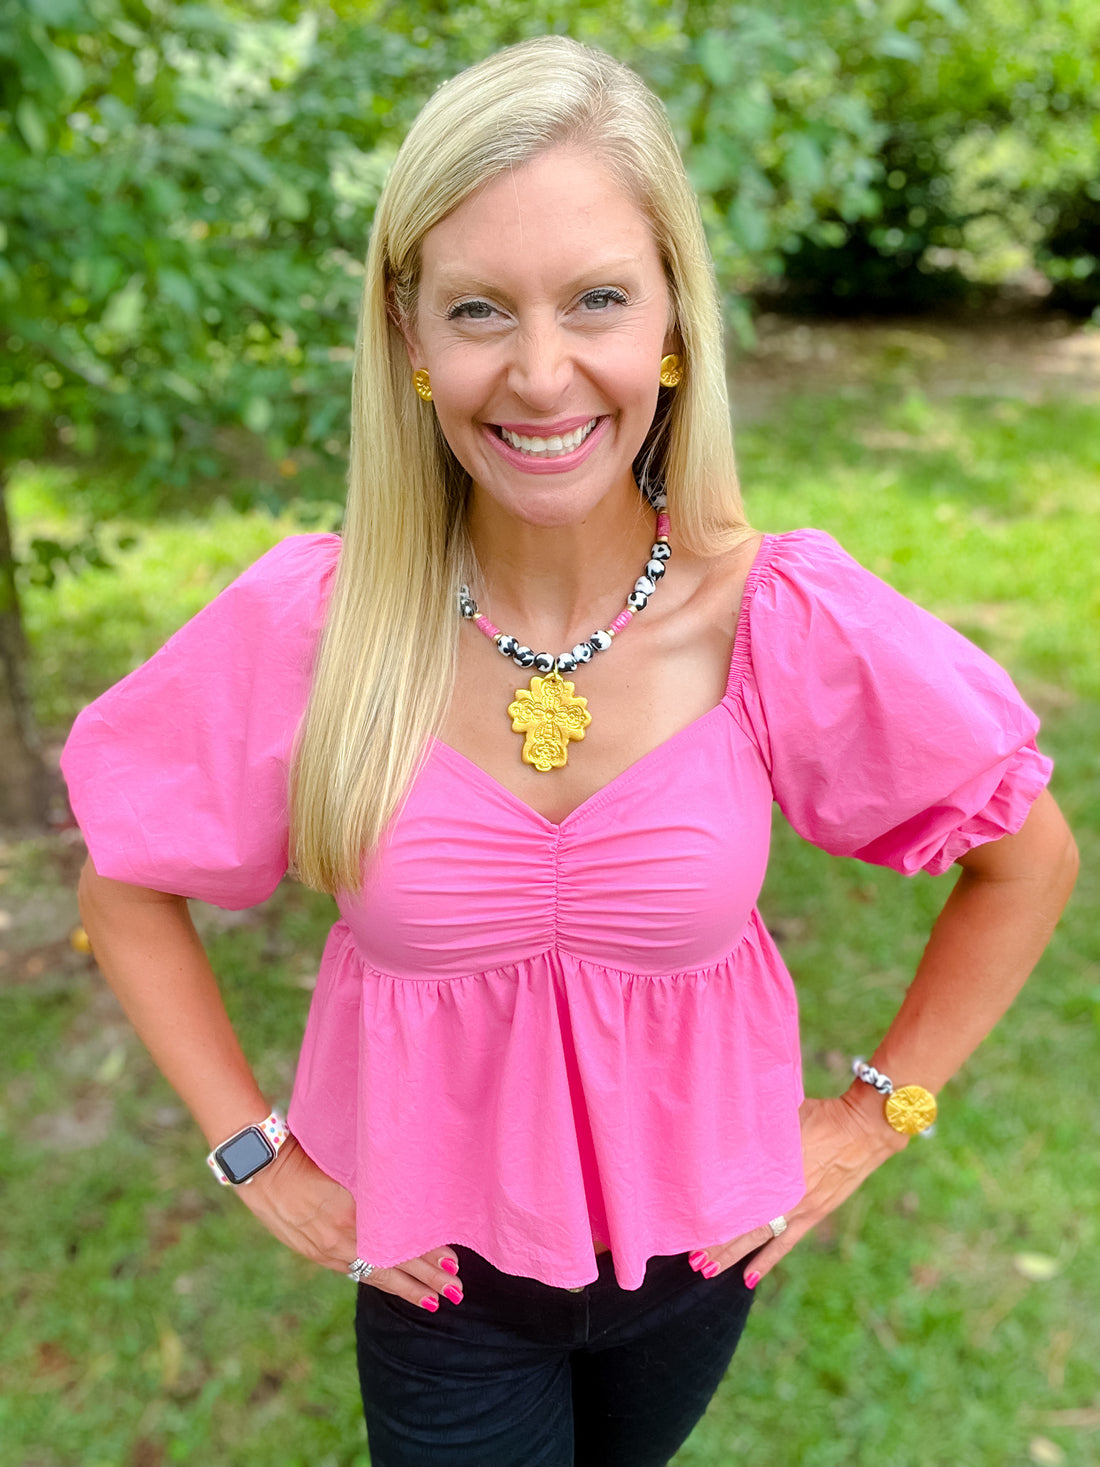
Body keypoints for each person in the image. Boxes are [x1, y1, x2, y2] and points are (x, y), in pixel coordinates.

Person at [61, 35, 1077, 1467]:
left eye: (596, 297)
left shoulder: (778, 615)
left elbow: (1023, 861)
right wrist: (254, 1152)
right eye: (480, 309)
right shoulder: (317, 623)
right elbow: (123, 889)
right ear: (409, 335)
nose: (541, 377)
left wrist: (868, 1121)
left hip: (702, 1263)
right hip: (445, 1283)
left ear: (671, 318)